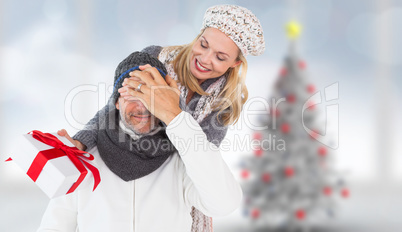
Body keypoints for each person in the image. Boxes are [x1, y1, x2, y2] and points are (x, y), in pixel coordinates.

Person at [70, 4, 265, 231]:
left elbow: (198, 159)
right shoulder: (155, 58)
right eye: (203, 44)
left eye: (220, 57)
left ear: (235, 63)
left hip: (168, 189)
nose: (204, 58)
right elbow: (114, 109)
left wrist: (173, 108)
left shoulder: (222, 104)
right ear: (198, 35)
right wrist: (81, 141)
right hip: (118, 170)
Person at [37, 51, 242, 232]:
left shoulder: (182, 159)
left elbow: (224, 203)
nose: (143, 107)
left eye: (151, 96)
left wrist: (176, 117)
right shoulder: (84, 160)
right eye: (133, 94)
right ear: (116, 101)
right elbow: (54, 226)